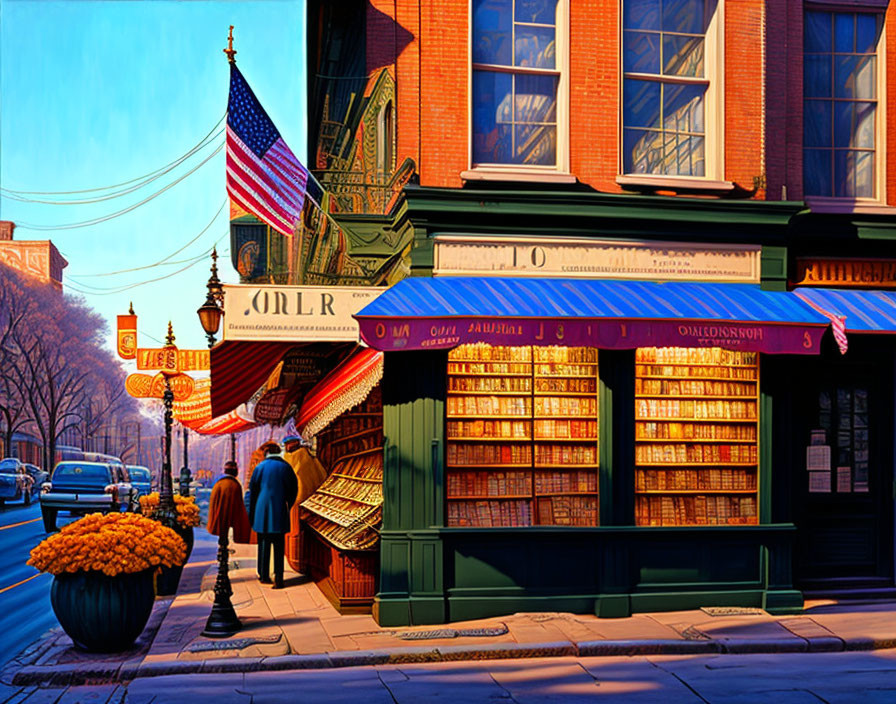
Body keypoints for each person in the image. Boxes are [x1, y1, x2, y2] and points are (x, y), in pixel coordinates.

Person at [249, 442, 298, 589]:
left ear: (267, 453)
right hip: (279, 510)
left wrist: (253, 510)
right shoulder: (286, 467)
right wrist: (288, 504)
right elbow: (293, 489)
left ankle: (264, 575)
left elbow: (253, 489)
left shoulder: (260, 467)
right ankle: (279, 578)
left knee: (263, 543)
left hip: (261, 510)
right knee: (279, 545)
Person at [282, 435, 328, 573]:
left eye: (289, 443)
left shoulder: (300, 458)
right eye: (286, 444)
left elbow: (298, 479)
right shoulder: (294, 457)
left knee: (299, 535)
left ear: (295, 443)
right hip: (302, 502)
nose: (288, 447)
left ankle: (302, 561)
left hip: (300, 502)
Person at [207, 461, 251, 544]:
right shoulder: (235, 485)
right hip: (231, 514)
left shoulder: (218, 483)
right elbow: (238, 505)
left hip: (220, 515)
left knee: (222, 533)